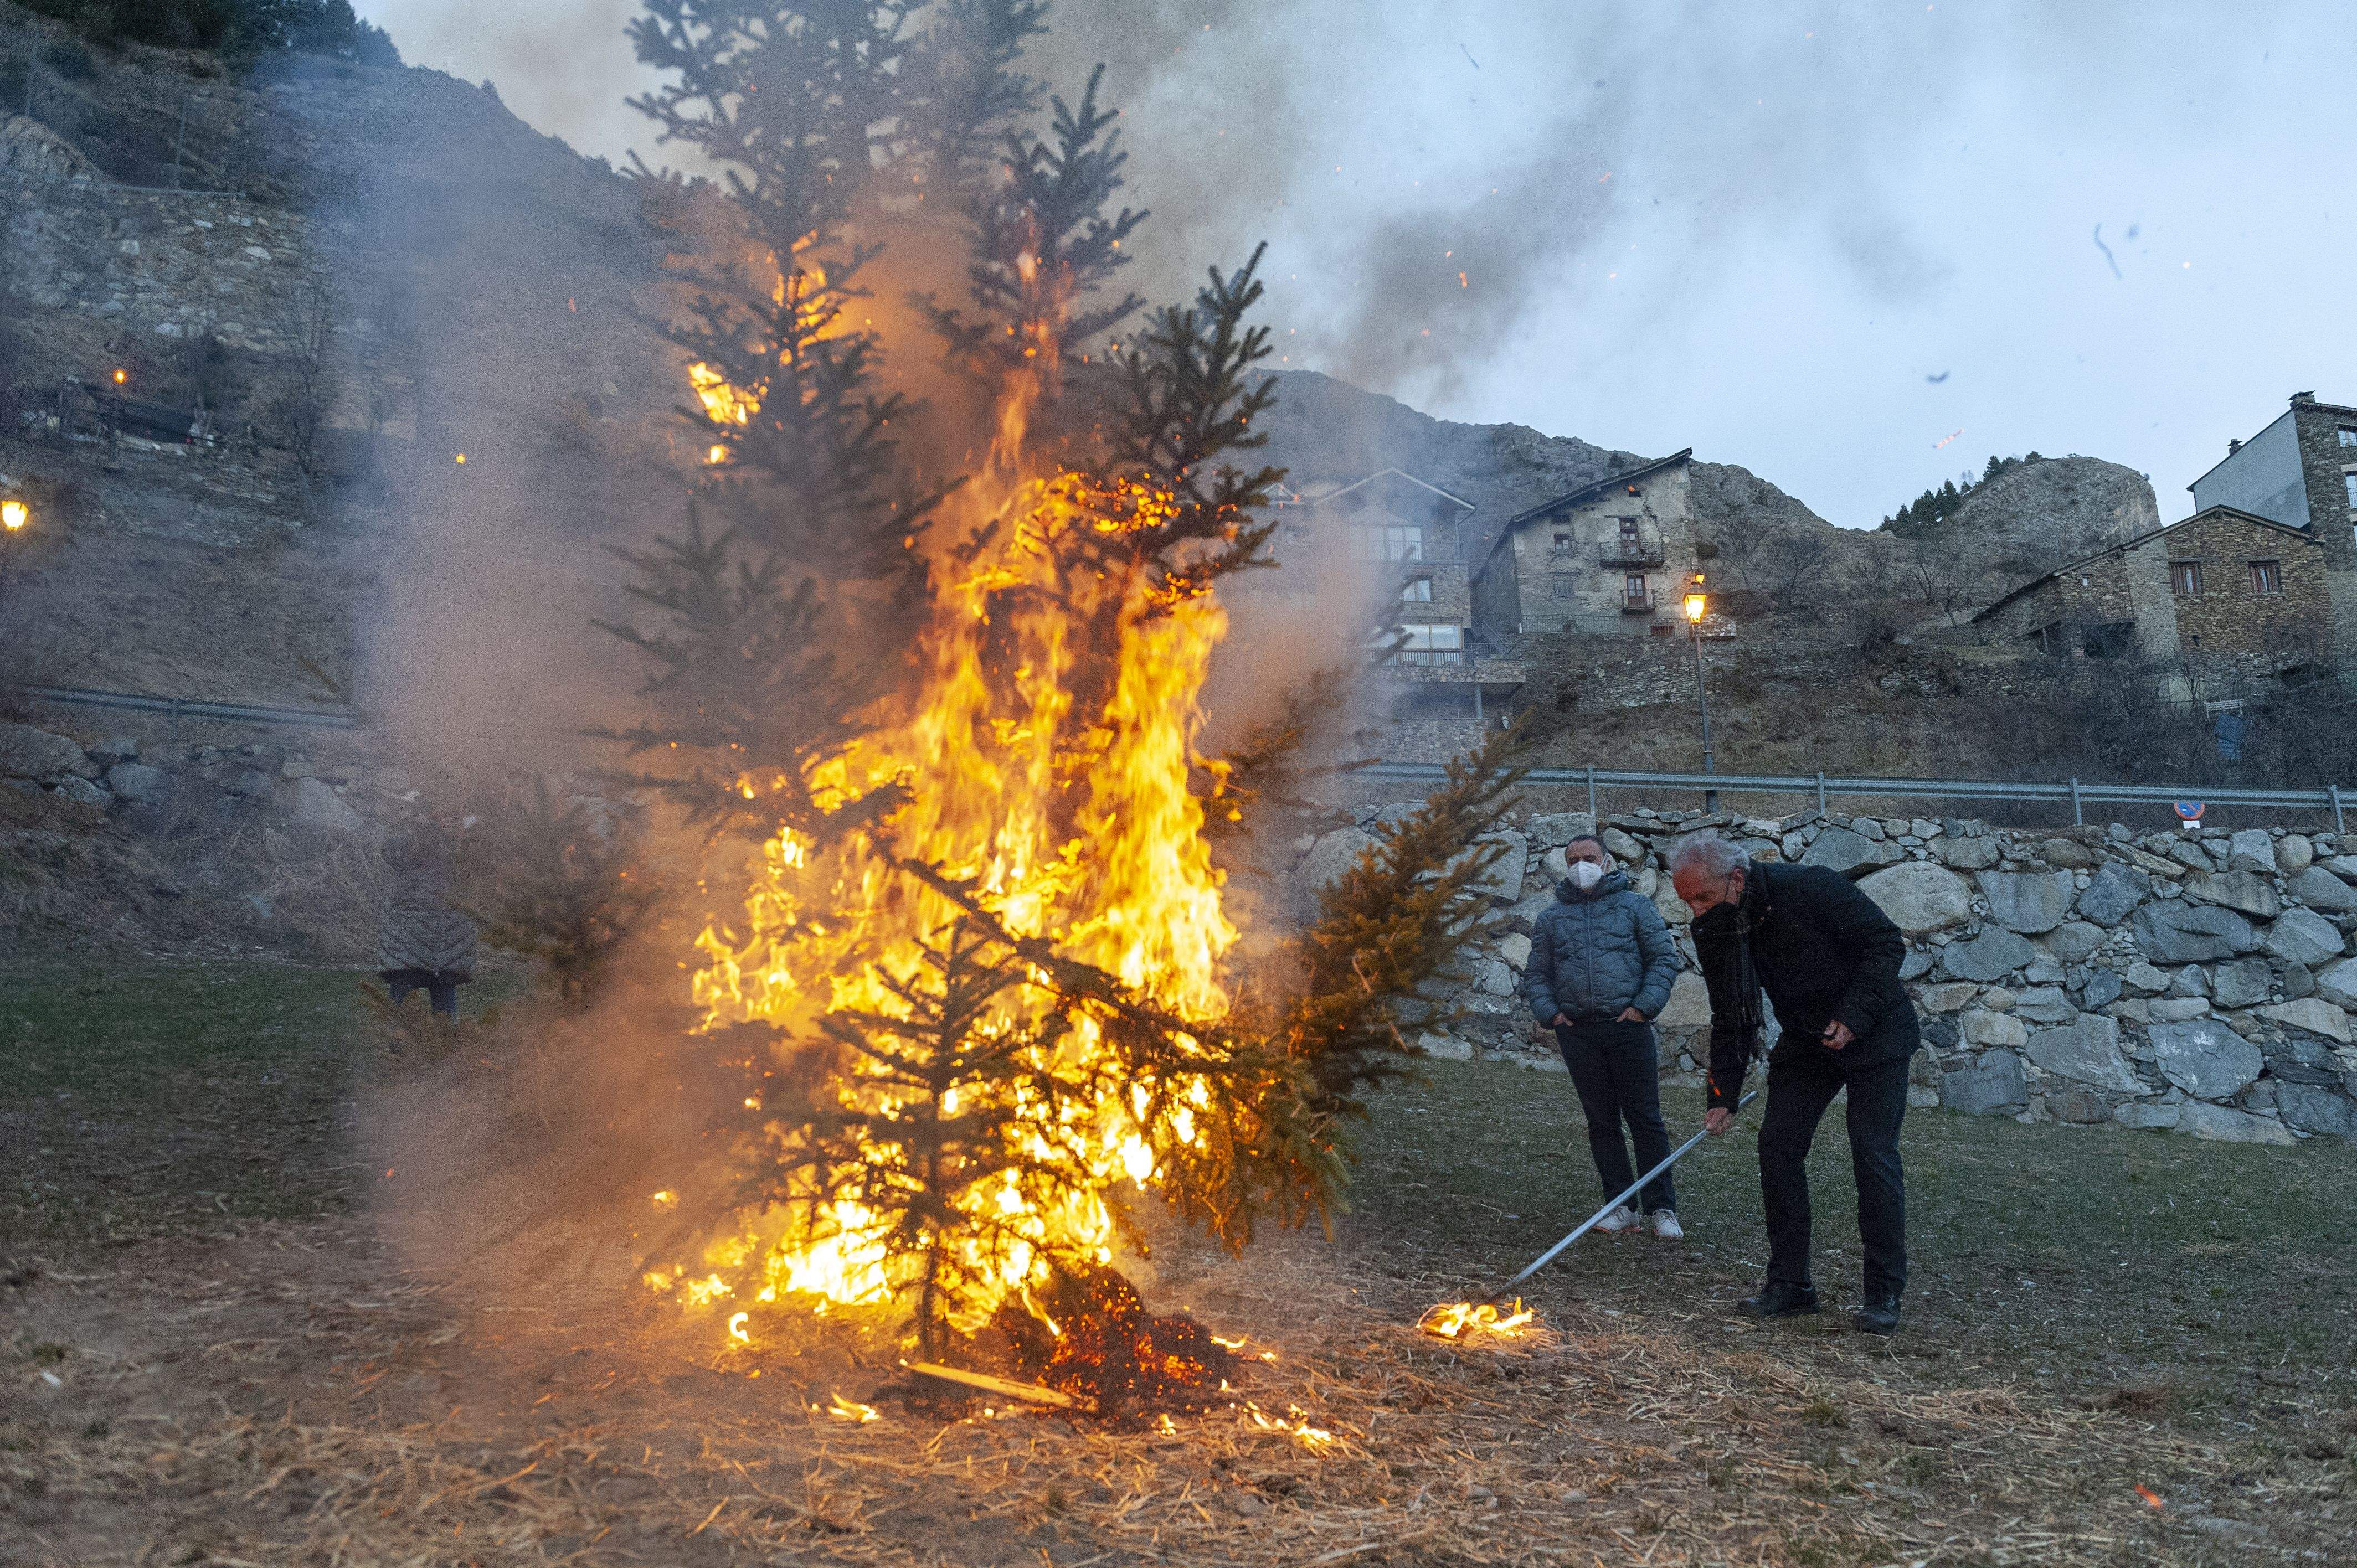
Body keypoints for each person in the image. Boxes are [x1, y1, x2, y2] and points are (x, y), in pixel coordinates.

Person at [1671, 834, 1917, 1335]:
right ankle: (1791, 1286)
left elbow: (1885, 945)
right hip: (1807, 1040)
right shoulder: (1714, 928)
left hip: (1876, 1031)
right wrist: (1723, 1097)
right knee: (1777, 1147)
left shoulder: (1811, 888)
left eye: (1703, 899)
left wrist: (1853, 1016)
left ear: (1736, 879)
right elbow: (1731, 1015)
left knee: (1872, 1152)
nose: (1696, 913)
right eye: (1687, 903)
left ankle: (1884, 1291)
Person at [1520, 834, 1685, 1239]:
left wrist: (1643, 1007)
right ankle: (1620, 1205)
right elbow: (1537, 975)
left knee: (1646, 1119)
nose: (1581, 865)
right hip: (1578, 1033)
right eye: (1573, 859)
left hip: (1628, 1028)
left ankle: (1662, 1207)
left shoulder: (1636, 906)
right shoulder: (1552, 918)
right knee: (1601, 1122)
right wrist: (1552, 1015)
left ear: (1607, 861)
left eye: (1588, 857)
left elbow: (1663, 959)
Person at [377, 815, 477, 1025]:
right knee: (404, 986)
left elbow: (486, 864)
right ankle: (399, 1055)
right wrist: (431, 831)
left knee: (445, 989)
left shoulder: (470, 817)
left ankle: (445, 1055)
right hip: (410, 921)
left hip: (452, 921)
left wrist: (470, 836)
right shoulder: (411, 810)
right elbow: (391, 852)